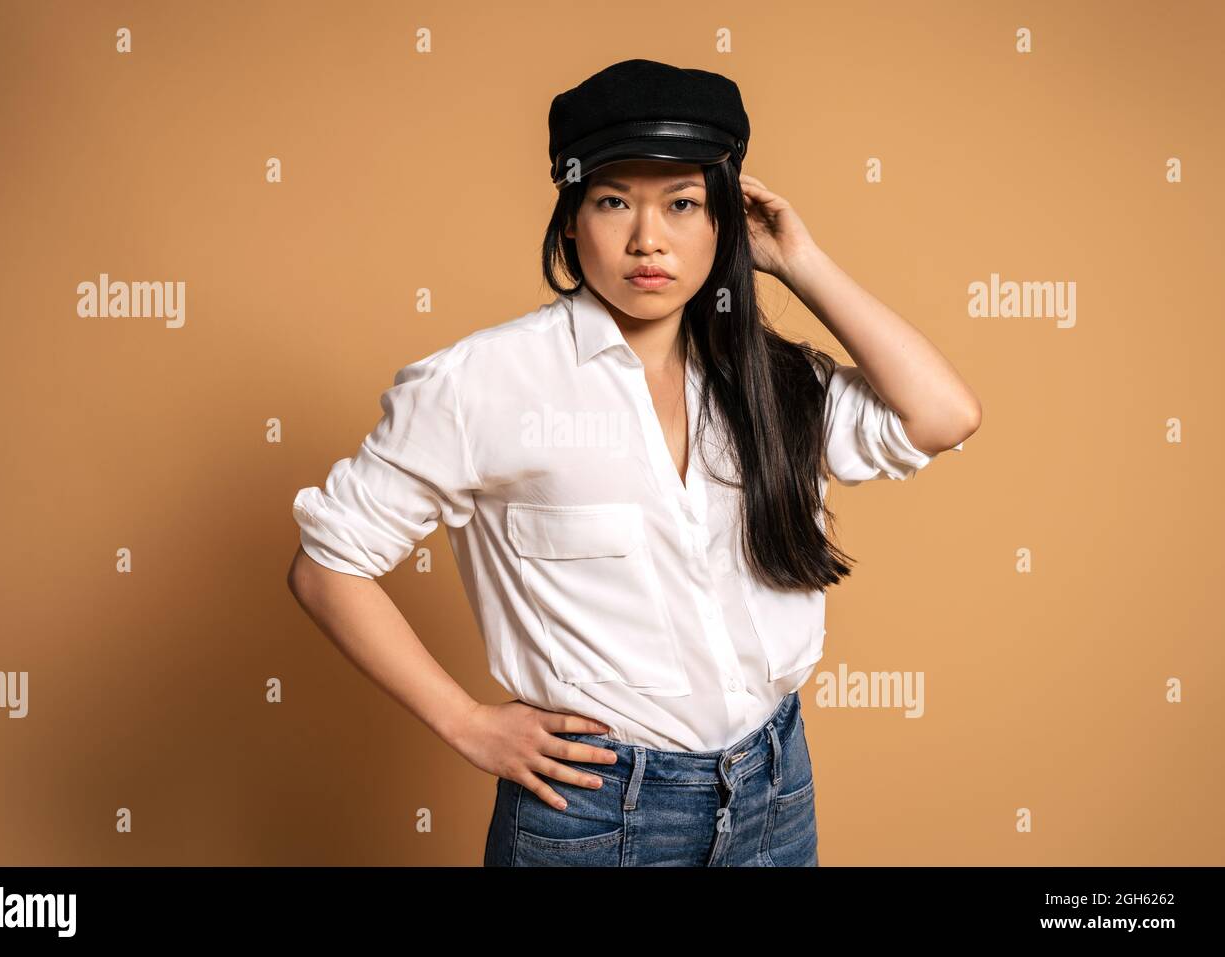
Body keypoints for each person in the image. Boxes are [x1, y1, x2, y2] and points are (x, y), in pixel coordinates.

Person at [287, 58, 980, 866]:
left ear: (725, 221)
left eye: (684, 204)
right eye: (614, 200)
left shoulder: (773, 382)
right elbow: (327, 564)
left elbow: (944, 414)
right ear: (571, 220)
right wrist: (466, 722)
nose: (648, 239)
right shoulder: (482, 385)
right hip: (592, 814)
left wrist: (800, 261)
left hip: (773, 789)